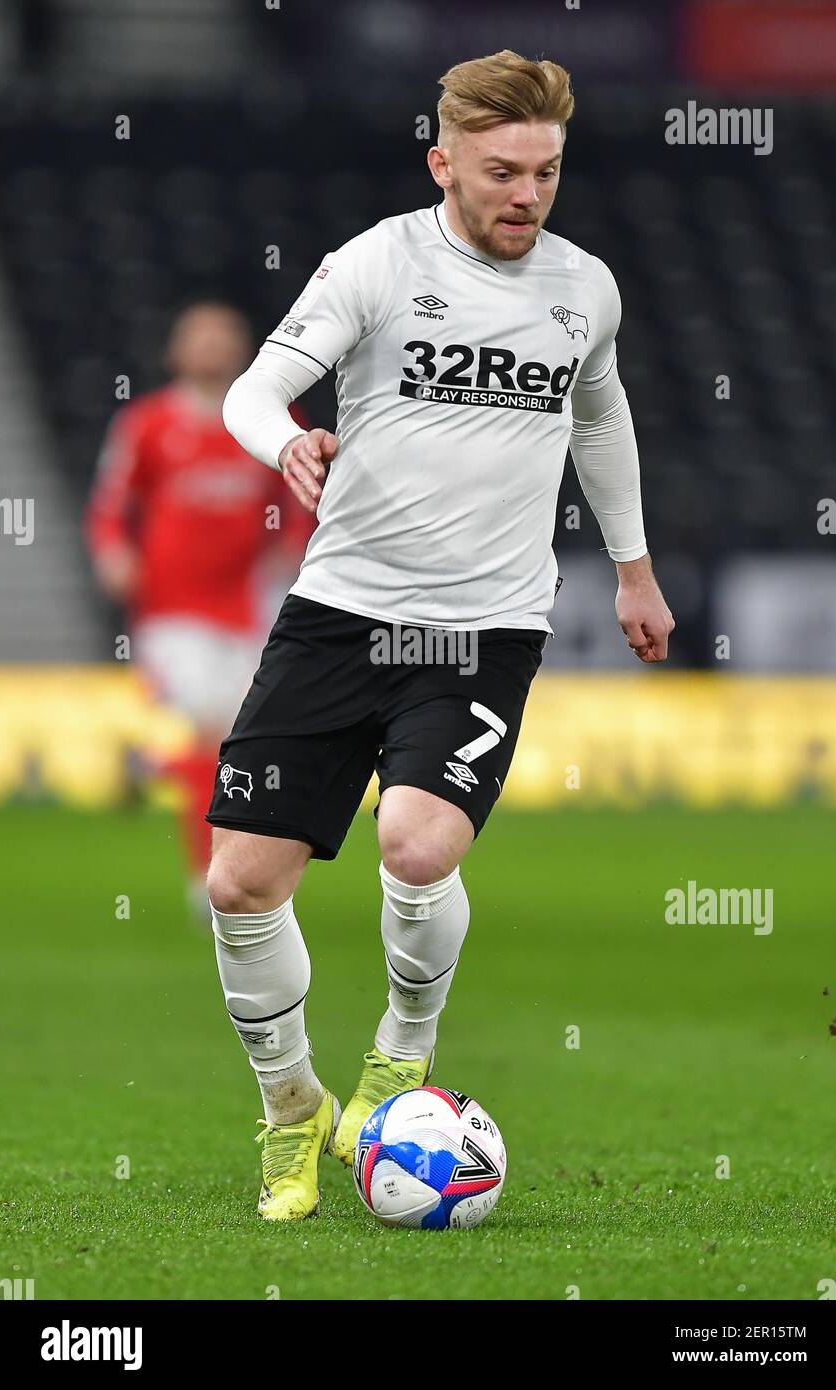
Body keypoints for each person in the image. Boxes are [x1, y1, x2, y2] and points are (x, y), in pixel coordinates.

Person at [207, 50, 675, 1221]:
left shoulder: (583, 289)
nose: (526, 194)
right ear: (444, 163)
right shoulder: (377, 262)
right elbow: (251, 392)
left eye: (546, 171)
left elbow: (600, 410)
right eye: (502, 171)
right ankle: (289, 1109)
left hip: (482, 629)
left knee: (417, 847)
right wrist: (288, 445)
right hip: (337, 614)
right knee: (238, 881)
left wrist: (632, 571)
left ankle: (401, 1053)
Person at [85, 302, 314, 918]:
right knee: (219, 737)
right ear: (176, 350)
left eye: (223, 337)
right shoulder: (147, 424)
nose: (211, 347)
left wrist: (293, 545)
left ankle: (151, 766)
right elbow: (110, 504)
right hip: (172, 608)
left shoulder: (270, 419)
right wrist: (112, 553)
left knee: (243, 743)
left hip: (249, 606)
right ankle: (209, 878)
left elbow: (303, 492)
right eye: (200, 337)